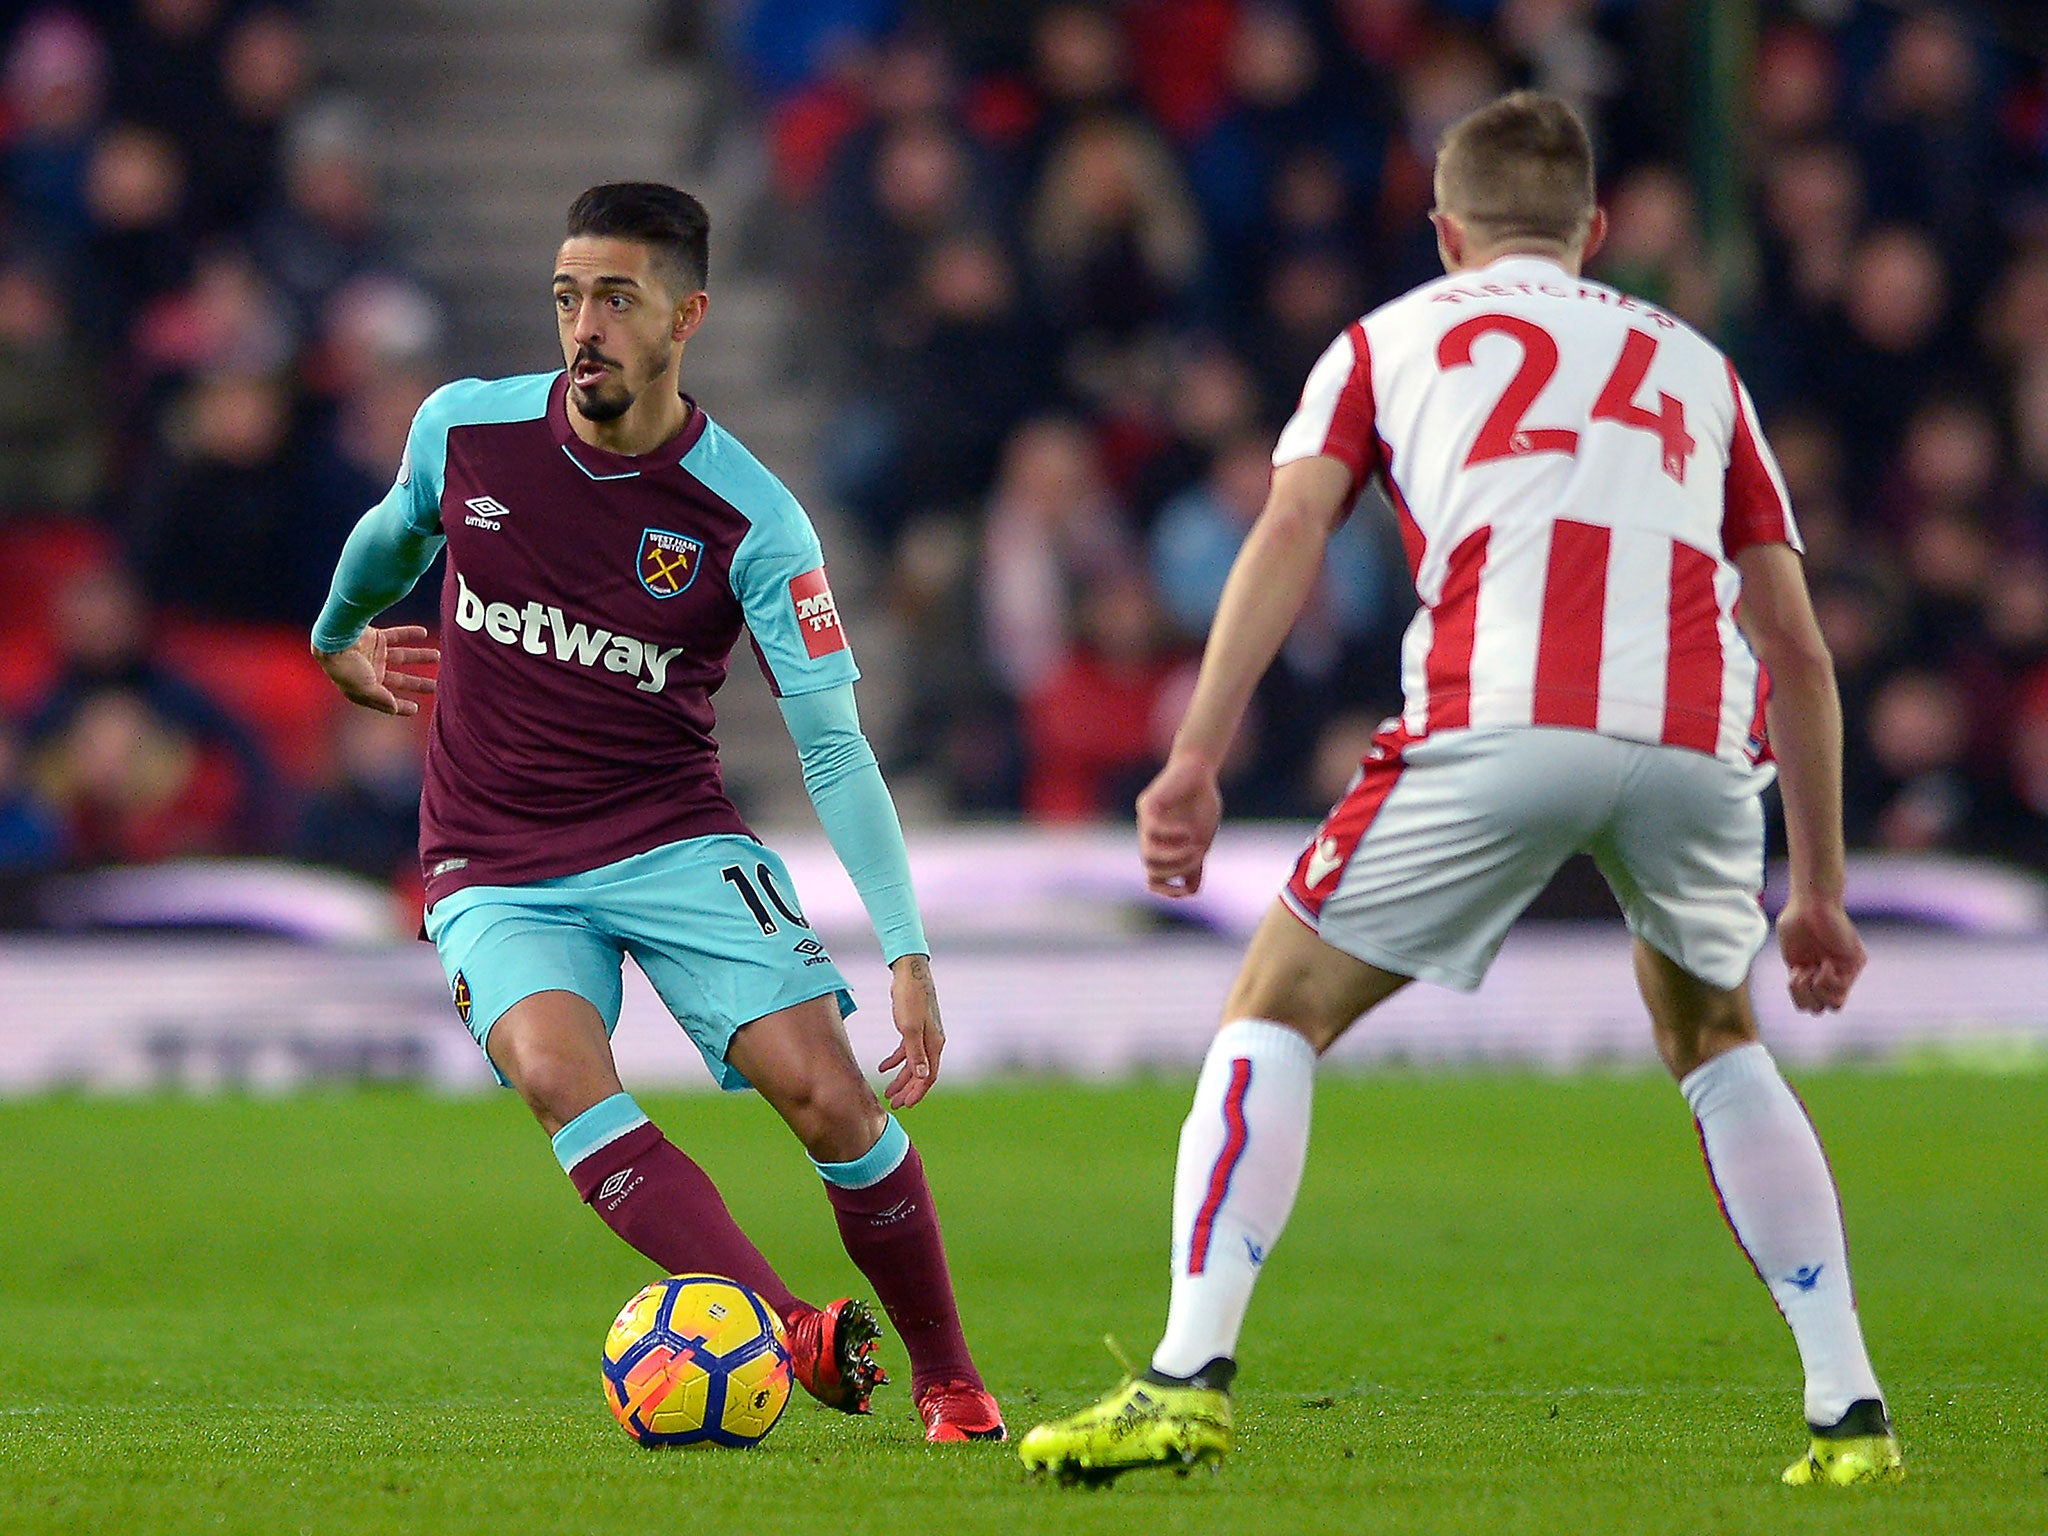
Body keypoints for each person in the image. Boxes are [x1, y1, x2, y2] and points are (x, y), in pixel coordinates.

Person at [1019, 92, 1901, 1489]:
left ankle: (1187, 1376)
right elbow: (1796, 641)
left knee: (1276, 1008)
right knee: (1719, 1036)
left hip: (1498, 721)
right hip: (1692, 739)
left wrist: (1194, 753)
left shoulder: (1385, 340)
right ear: (1596, 234)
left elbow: (1292, 528)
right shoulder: (1699, 364)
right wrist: (1825, 890)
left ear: (1446, 233)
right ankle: (1851, 1411)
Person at [309, 182, 1003, 1443]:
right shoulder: (465, 431)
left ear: (685, 316)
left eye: (616, 300)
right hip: (494, 860)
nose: (585, 327)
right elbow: (390, 530)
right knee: (557, 1076)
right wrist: (336, 634)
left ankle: (950, 1379)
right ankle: (785, 1325)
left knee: (834, 1104)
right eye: (569, 297)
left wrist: (904, 952)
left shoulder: (752, 518)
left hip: (672, 838)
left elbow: (836, 753)